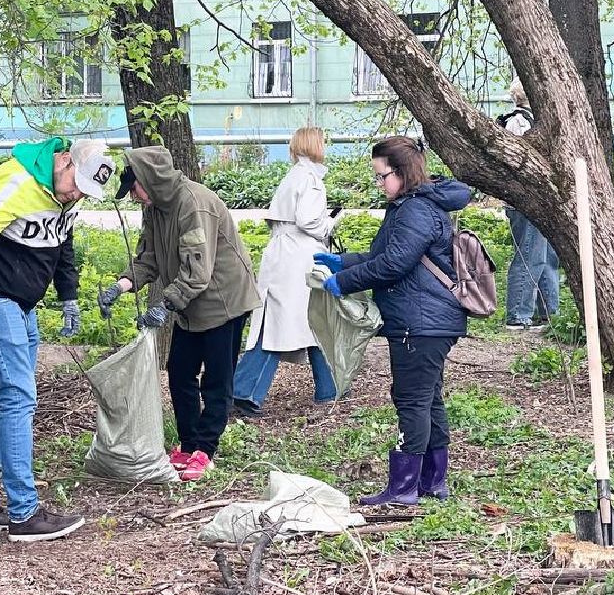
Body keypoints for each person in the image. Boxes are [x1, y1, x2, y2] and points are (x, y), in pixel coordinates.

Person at [0, 136, 112, 543]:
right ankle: (24, 511)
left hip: (23, 303)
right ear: (65, 161)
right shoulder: (17, 179)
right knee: (20, 395)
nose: (76, 196)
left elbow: (62, 244)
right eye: (76, 186)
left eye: (84, 193)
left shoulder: (68, 196)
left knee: (8, 397)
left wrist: (69, 296)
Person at [315, 137, 469, 506]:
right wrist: (345, 262)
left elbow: (394, 264)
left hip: (421, 321)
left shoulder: (415, 209)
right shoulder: (414, 206)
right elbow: (388, 254)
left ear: (401, 172)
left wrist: (344, 283)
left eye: (381, 176)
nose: (378, 183)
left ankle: (404, 488)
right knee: (427, 399)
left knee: (412, 399)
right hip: (426, 320)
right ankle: (431, 481)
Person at [98, 146, 260, 483]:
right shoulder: (155, 208)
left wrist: (164, 305)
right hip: (190, 302)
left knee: (217, 379)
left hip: (223, 300)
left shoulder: (193, 205)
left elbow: (198, 273)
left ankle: (205, 450)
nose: (134, 197)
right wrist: (121, 285)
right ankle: (188, 445)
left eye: (134, 189)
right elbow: (149, 258)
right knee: (179, 372)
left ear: (150, 180)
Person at [232, 126, 339, 415]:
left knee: (299, 319)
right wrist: (329, 224)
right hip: (298, 256)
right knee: (288, 323)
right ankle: (244, 391)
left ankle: (330, 386)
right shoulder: (311, 179)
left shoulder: (294, 176)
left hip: (283, 253)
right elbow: (308, 220)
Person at [498, 80, 560, 331]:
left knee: (547, 257)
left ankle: (549, 313)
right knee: (529, 255)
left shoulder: (535, 120)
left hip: (544, 199)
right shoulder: (518, 122)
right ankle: (518, 314)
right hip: (525, 200)